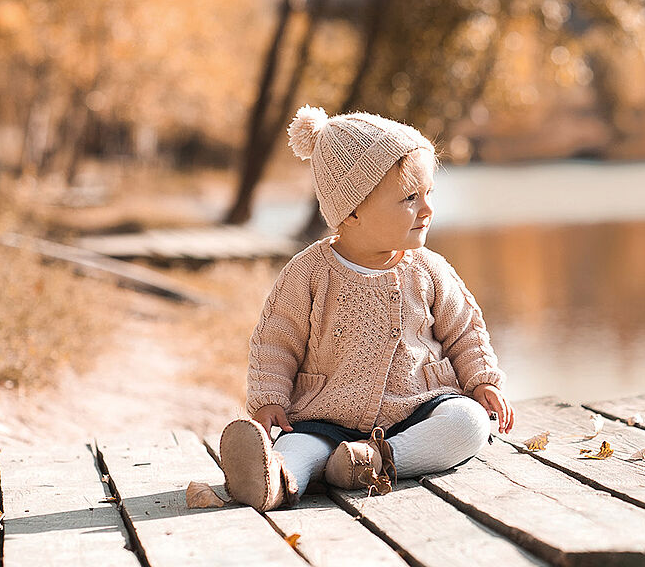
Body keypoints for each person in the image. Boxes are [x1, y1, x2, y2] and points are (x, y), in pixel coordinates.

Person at [217, 106, 515, 511]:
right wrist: (269, 398)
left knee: (469, 424)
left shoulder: (429, 270)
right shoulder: (309, 273)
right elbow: (275, 342)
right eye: (410, 198)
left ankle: (377, 460)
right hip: (325, 417)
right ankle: (276, 479)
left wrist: (482, 381)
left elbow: (464, 331)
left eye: (429, 194)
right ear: (352, 210)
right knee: (300, 447)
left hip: (416, 409)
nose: (427, 209)